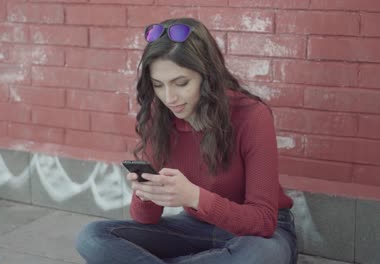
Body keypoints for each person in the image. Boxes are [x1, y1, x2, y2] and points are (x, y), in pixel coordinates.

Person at [76, 17, 297, 264]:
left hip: (259, 235)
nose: (169, 98)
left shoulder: (251, 115)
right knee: (92, 237)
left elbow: (264, 221)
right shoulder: (157, 116)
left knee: (258, 257)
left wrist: (194, 197)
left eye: (181, 83)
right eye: (158, 85)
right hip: (195, 226)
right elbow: (145, 219)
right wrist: (145, 193)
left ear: (207, 76)